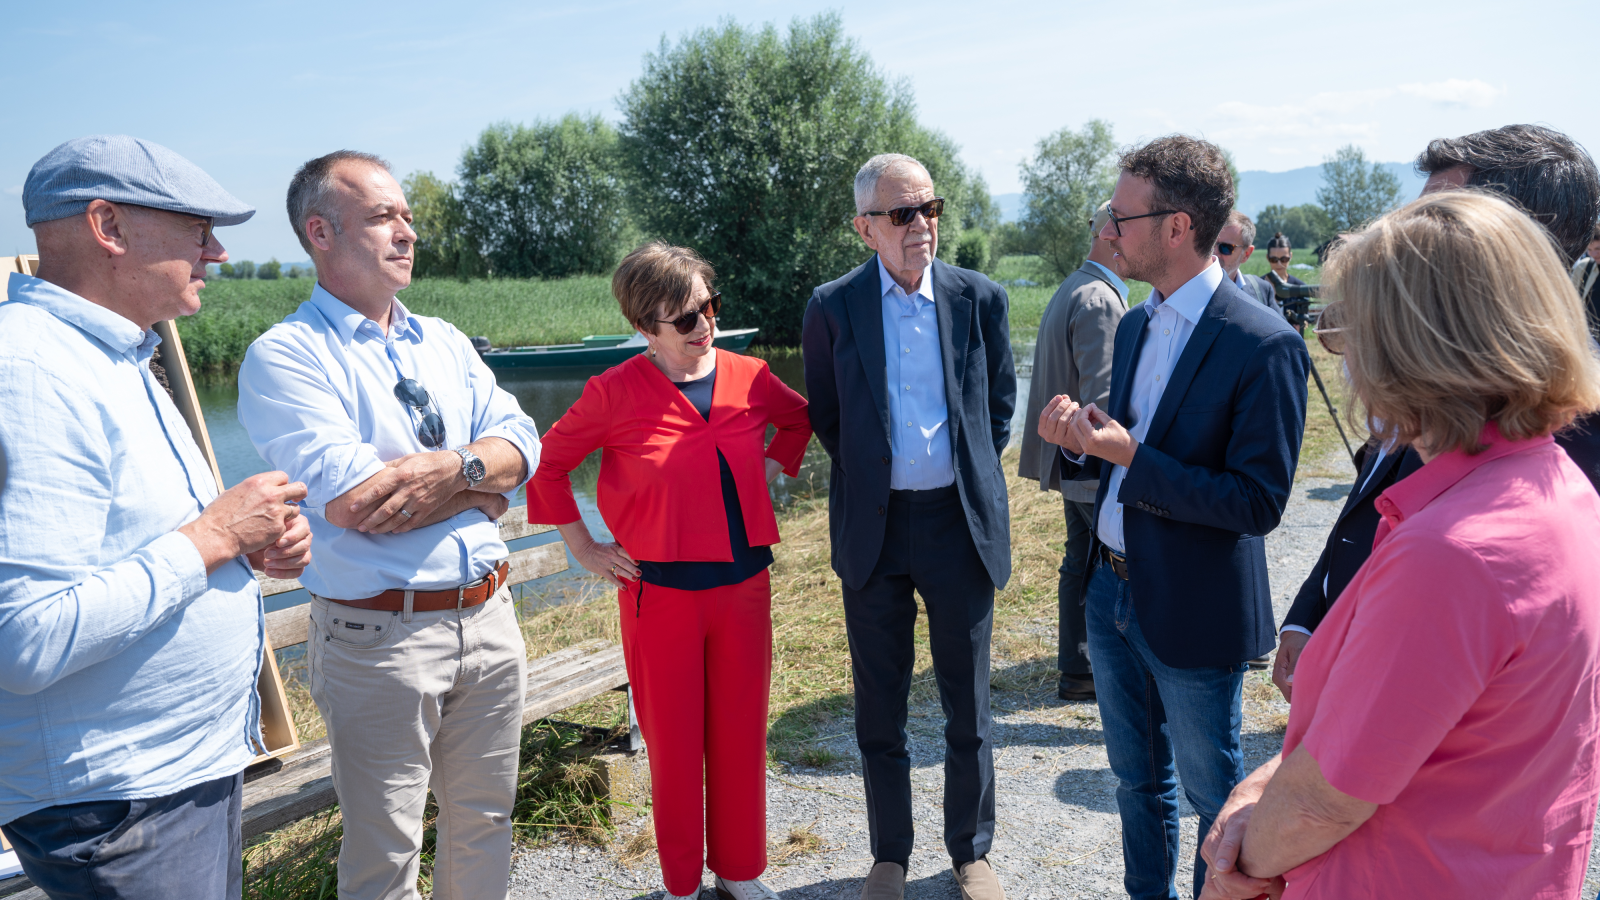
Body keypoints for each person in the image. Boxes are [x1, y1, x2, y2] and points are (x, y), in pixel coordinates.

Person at [1199, 190, 1600, 900]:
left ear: (1411, 348)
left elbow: (1327, 802)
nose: (1342, 351)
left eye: (1349, 329)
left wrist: (1236, 868)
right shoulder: (1554, 484)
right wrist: (1269, 779)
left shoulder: (1454, 551)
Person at [0, 135, 312, 899]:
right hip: (119, 805)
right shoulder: (31, 373)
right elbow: (27, 639)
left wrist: (247, 547)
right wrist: (214, 536)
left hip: (166, 782)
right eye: (196, 228)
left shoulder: (109, 356)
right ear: (108, 227)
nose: (219, 252)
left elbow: (132, 545)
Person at [237, 150, 540, 900]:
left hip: (490, 617)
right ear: (320, 233)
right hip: (382, 640)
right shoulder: (287, 357)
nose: (406, 232)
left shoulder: (443, 339)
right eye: (382, 218)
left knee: (484, 820)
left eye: (406, 216)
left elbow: (525, 443)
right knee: (386, 849)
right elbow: (357, 504)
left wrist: (455, 472)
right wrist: (481, 485)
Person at [1036, 134, 1310, 899]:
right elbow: (1124, 457)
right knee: (1135, 787)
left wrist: (1130, 458)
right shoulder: (1133, 324)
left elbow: (1257, 503)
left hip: (1194, 606)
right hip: (1110, 589)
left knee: (1213, 806)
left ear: (1178, 226)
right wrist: (1082, 445)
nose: (1110, 230)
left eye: (1123, 217)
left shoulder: (1265, 345)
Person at [1274, 122, 1600, 701]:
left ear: (1503, 242)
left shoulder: (1575, 437)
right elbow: (1368, 504)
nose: (1402, 242)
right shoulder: (1434, 382)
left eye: (1434, 225)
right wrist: (1311, 613)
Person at [527, 242, 811, 900]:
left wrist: (765, 475)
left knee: (740, 736)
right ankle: (682, 884)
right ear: (643, 328)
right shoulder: (613, 392)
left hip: (744, 588)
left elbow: (797, 422)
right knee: (676, 749)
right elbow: (547, 464)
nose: (704, 324)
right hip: (660, 597)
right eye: (684, 318)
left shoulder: (749, 374)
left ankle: (739, 872)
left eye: (708, 306)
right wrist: (586, 548)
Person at [802, 153, 1016, 900]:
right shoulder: (832, 307)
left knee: (970, 703)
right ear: (866, 228)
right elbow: (828, 416)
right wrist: (881, 478)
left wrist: (958, 472)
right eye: (902, 214)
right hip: (876, 530)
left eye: (931, 208)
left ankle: (972, 851)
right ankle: (889, 852)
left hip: (959, 526)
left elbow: (996, 411)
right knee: (879, 703)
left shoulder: (980, 298)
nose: (921, 225)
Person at [1017, 200, 1127, 703]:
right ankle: (1098, 669)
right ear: (1110, 234)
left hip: (1071, 459)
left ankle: (1078, 670)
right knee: (1108, 564)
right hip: (1092, 463)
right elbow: (1102, 401)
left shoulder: (1075, 286)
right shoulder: (1101, 299)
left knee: (1079, 561)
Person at [1214, 211, 1278, 315]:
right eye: (1210, 245)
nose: (1214, 253)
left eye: (1225, 247)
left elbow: (1282, 330)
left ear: (1246, 254)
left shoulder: (1261, 291)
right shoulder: (1186, 287)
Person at [1571, 220, 1600, 336]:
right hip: (1588, 336)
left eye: (1598, 249)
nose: (1593, 254)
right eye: (1590, 250)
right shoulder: (1583, 267)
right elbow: (1571, 298)